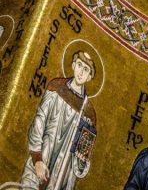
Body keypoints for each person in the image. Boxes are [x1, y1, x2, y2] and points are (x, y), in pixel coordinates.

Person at [20, 49, 97, 189]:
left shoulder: (88, 113)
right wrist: (37, 159)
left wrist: (81, 163)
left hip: (61, 176)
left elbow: (82, 156)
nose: (81, 72)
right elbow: (39, 121)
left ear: (89, 77)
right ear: (73, 65)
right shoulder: (56, 87)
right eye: (79, 65)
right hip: (41, 158)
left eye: (86, 69)